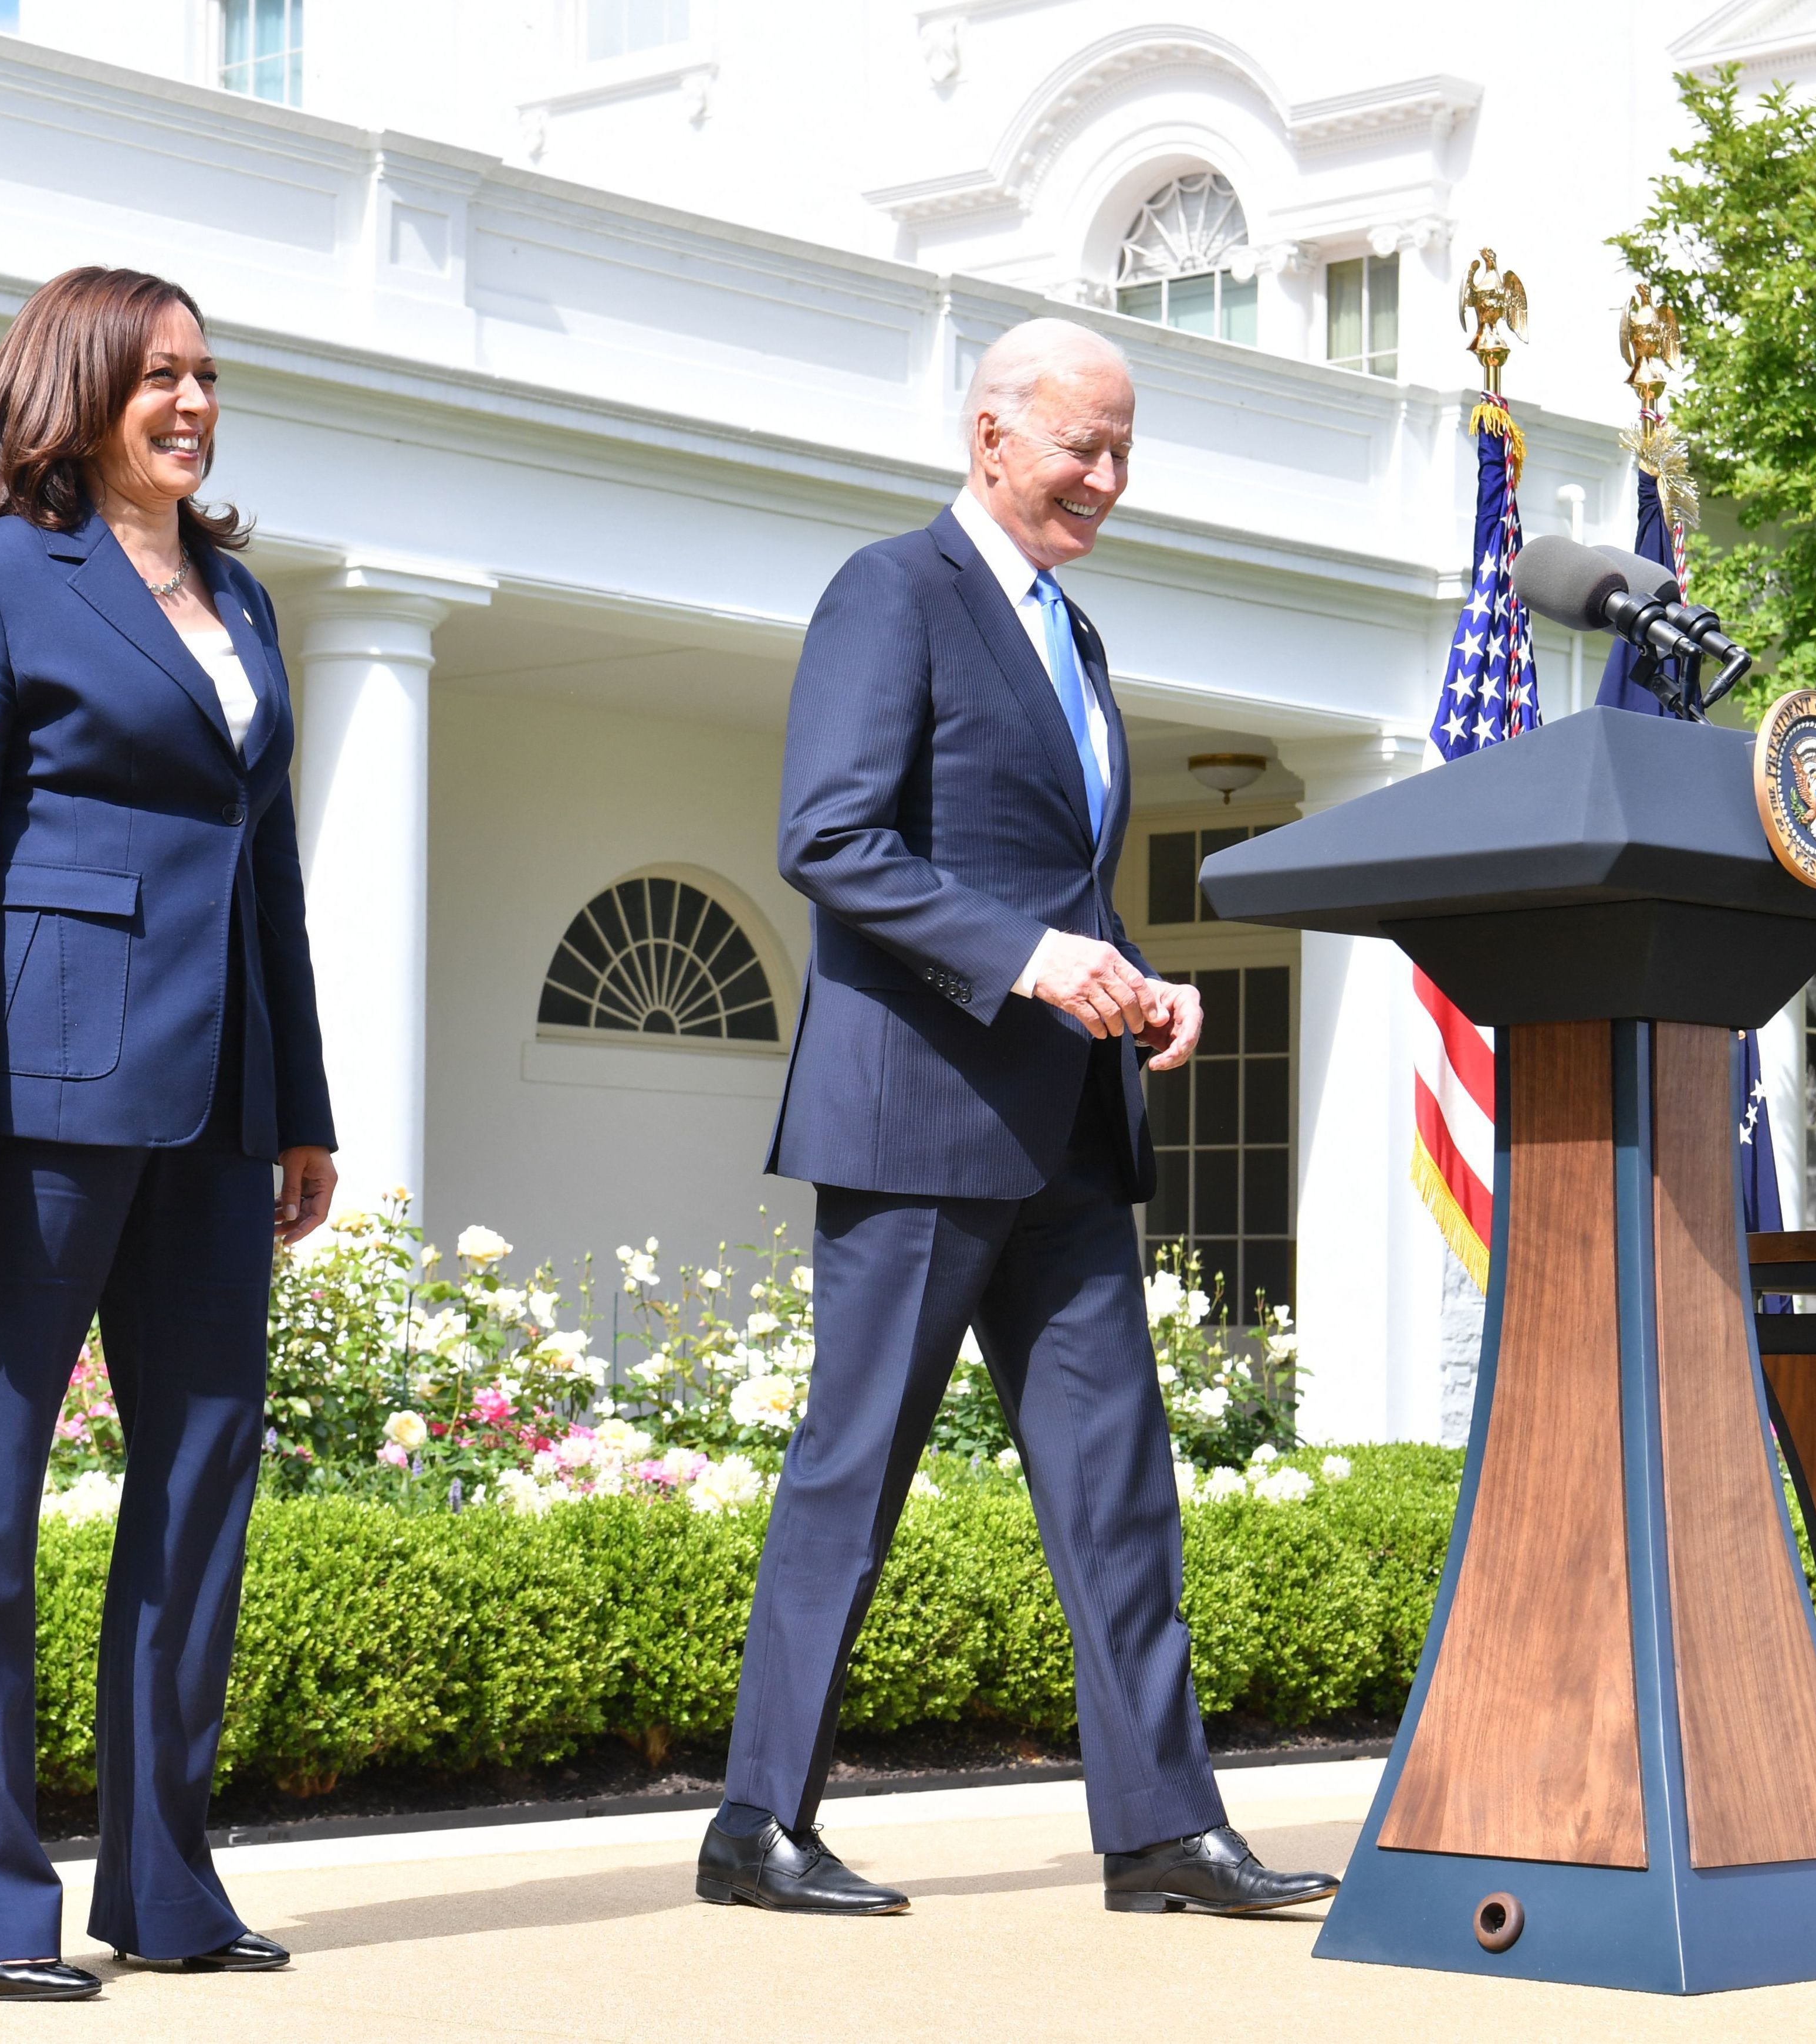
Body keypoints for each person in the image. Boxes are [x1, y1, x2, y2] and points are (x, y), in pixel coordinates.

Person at [699, 319, 1339, 1920]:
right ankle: (756, 1822)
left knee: (1122, 1487)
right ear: (992, 431)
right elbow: (830, 838)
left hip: (1065, 1126)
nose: (1109, 480)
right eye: (1084, 447)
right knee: (855, 1473)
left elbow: (1055, 876)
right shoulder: (890, 593)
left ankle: (1161, 1830)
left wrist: (1135, 980)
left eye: (1126, 452)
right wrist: (1040, 960)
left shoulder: (1080, 637)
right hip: (917, 1120)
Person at [0, 266, 338, 2001]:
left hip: (224, 1103)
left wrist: (302, 1104)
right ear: (78, 389)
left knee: (202, 1479)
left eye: (208, 372)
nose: (195, 400)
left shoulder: (246, 600)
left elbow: (264, 866)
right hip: (41, 1096)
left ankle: (165, 1882)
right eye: (159, 374)